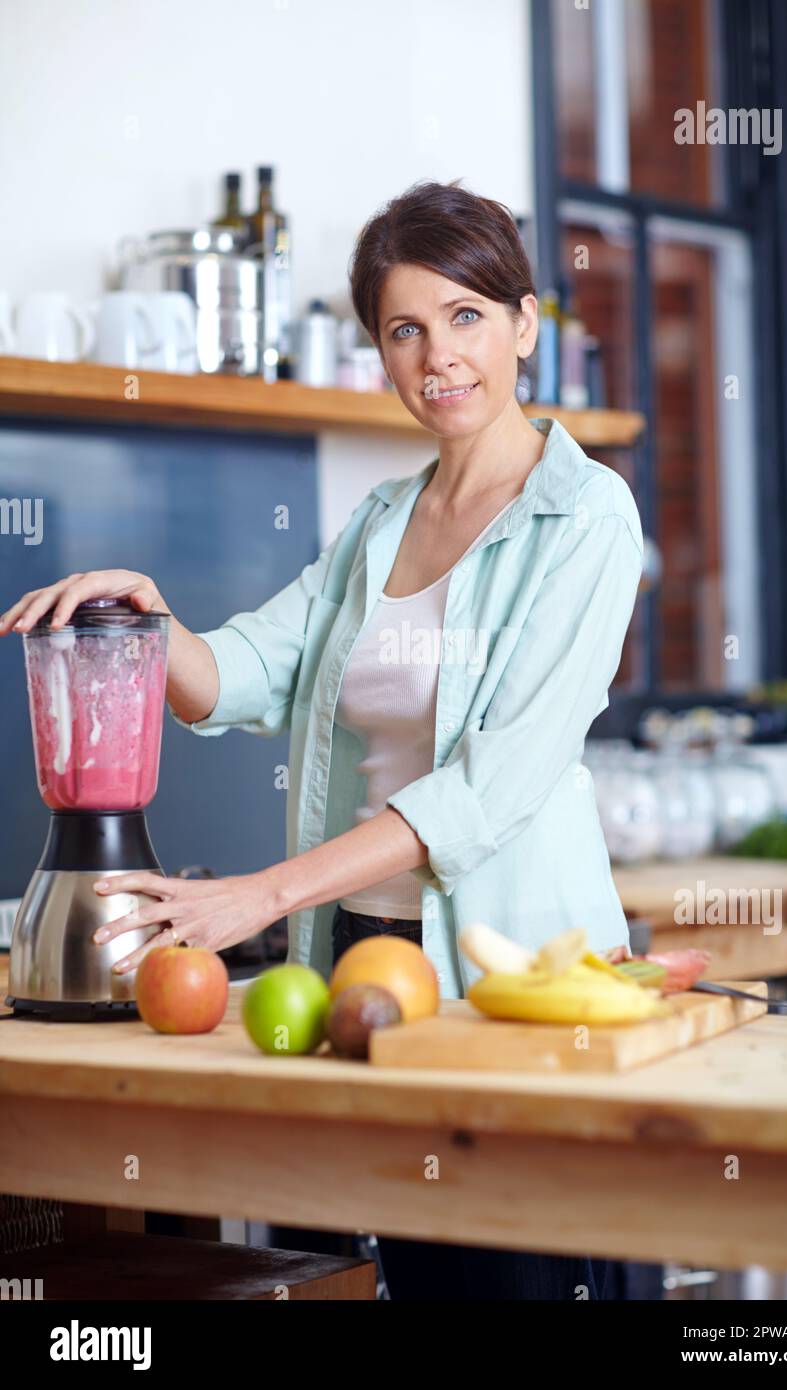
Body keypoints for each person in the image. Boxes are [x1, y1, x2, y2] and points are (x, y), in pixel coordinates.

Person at [0, 179, 646, 1299]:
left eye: (465, 317)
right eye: (403, 328)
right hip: (362, 954)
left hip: (508, 967)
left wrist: (262, 894)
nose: (437, 355)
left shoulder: (583, 517)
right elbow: (254, 666)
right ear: (378, 350)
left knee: (525, 1277)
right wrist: (153, 623)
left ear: (523, 324)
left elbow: (491, 783)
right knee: (424, 1275)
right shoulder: (381, 520)